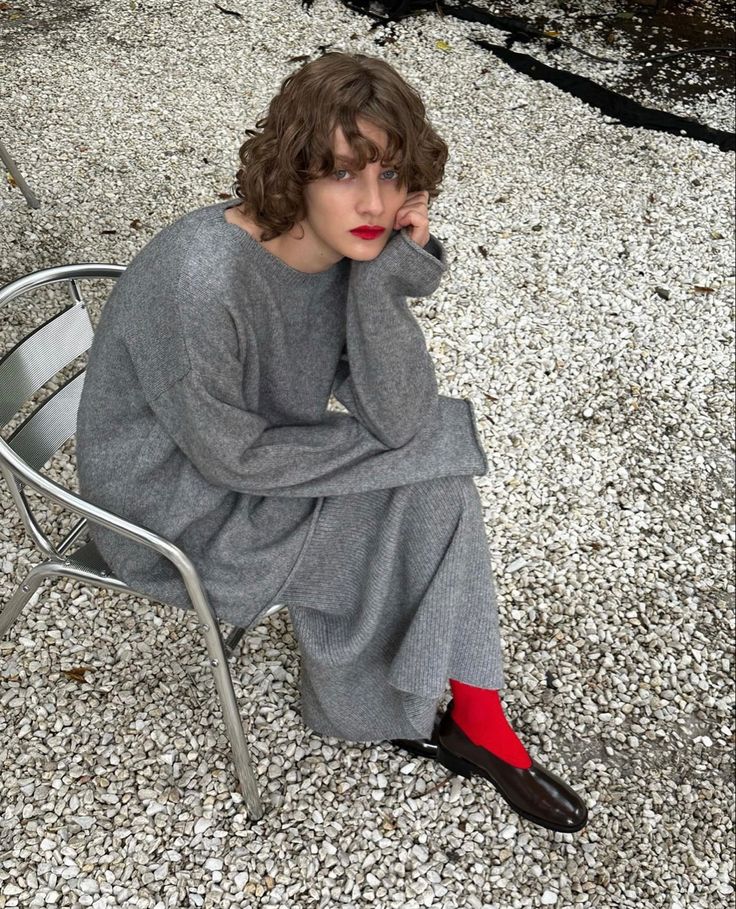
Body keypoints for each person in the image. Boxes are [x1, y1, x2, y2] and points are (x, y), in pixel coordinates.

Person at [76, 51, 587, 833]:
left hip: (253, 462)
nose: (373, 202)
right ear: (297, 171)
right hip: (174, 509)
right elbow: (228, 457)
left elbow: (401, 416)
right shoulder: (203, 281)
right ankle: (451, 718)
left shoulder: (342, 251)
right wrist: (398, 457)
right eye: (346, 174)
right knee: (427, 479)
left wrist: (389, 282)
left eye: (390, 176)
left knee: (432, 473)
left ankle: (456, 712)